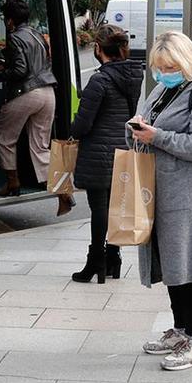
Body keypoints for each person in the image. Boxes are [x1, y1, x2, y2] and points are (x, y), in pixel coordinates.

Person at [130, 32, 192, 371]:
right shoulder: (161, 90)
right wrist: (138, 130)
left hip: (184, 191)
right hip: (155, 188)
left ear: (185, 63)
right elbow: (148, 125)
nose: (163, 71)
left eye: (170, 66)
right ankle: (181, 330)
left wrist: (158, 136)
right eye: (158, 66)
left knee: (188, 261)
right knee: (170, 263)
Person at [70, 25, 143, 284]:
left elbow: (83, 124)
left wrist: (71, 129)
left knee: (99, 208)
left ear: (99, 49)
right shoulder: (134, 76)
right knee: (115, 206)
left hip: (98, 152)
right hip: (122, 150)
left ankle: (95, 261)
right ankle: (114, 258)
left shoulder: (99, 80)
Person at [0, 0, 59, 204]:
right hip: (48, 93)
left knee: (5, 136)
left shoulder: (15, 37)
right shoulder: (38, 35)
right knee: (40, 143)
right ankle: (55, 186)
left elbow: (21, 70)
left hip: (27, 93)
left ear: (10, 21)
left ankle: (12, 181)